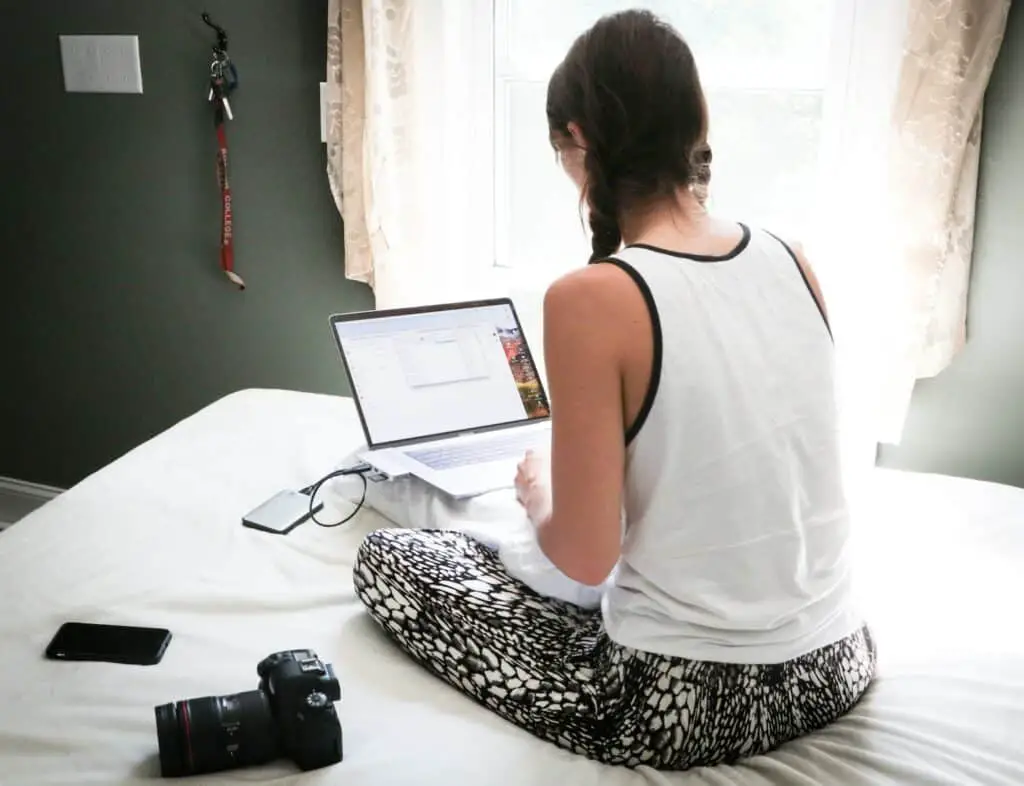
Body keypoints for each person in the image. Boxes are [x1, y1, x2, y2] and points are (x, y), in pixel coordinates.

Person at [353, 8, 875, 770]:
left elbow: (586, 559)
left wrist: (536, 497)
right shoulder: (792, 256)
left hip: (688, 701)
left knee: (391, 560)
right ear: (694, 123)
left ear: (577, 142)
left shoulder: (590, 298)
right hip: (839, 661)